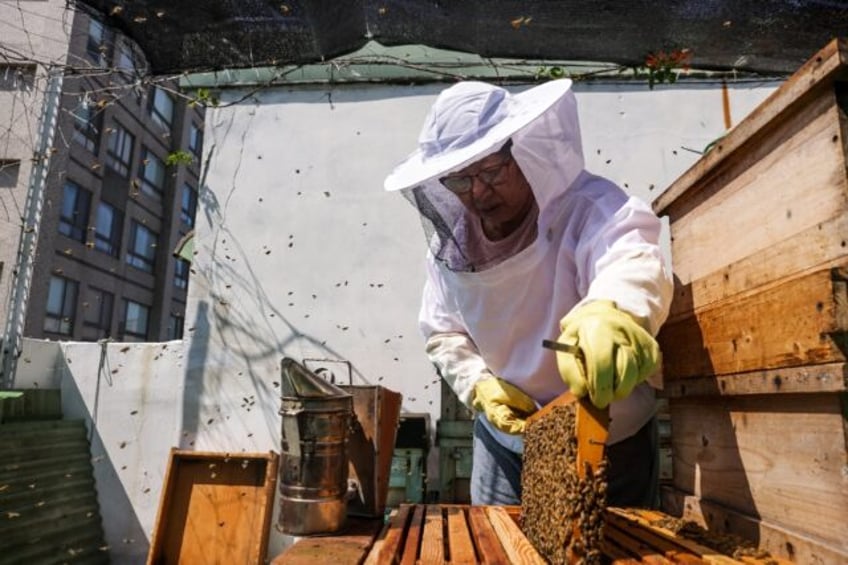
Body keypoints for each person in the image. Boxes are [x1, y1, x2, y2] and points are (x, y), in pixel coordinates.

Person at [383, 79, 673, 507]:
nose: (478, 192)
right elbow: (443, 331)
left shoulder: (586, 208)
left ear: (524, 152)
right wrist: (479, 385)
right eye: (460, 181)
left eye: (490, 171)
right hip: (505, 442)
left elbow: (628, 257)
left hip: (610, 436)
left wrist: (613, 312)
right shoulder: (449, 249)